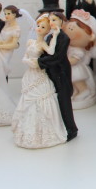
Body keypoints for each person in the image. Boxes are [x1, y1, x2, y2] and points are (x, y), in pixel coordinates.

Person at [12, 14, 67, 149]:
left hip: (39, 73)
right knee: (27, 98)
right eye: (38, 26)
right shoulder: (31, 42)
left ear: (47, 30)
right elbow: (24, 57)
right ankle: (26, 130)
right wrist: (28, 62)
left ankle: (45, 131)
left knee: (41, 97)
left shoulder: (43, 44)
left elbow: (51, 52)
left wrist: (55, 36)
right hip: (30, 74)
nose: (39, 29)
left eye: (43, 27)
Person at [38, 12, 78, 141]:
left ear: (61, 21)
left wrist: (40, 62)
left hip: (61, 72)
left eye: (54, 20)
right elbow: (47, 52)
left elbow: (58, 57)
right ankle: (60, 127)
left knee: (64, 101)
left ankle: (71, 129)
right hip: (52, 71)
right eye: (50, 20)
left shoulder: (64, 38)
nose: (51, 23)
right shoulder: (50, 37)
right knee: (56, 101)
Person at [64, 9, 96, 106]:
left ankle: (84, 91)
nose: (70, 27)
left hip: (76, 69)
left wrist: (64, 61)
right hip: (70, 68)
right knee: (73, 83)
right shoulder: (69, 47)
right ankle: (76, 92)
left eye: (77, 26)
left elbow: (74, 60)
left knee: (78, 81)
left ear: (91, 37)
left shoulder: (79, 51)